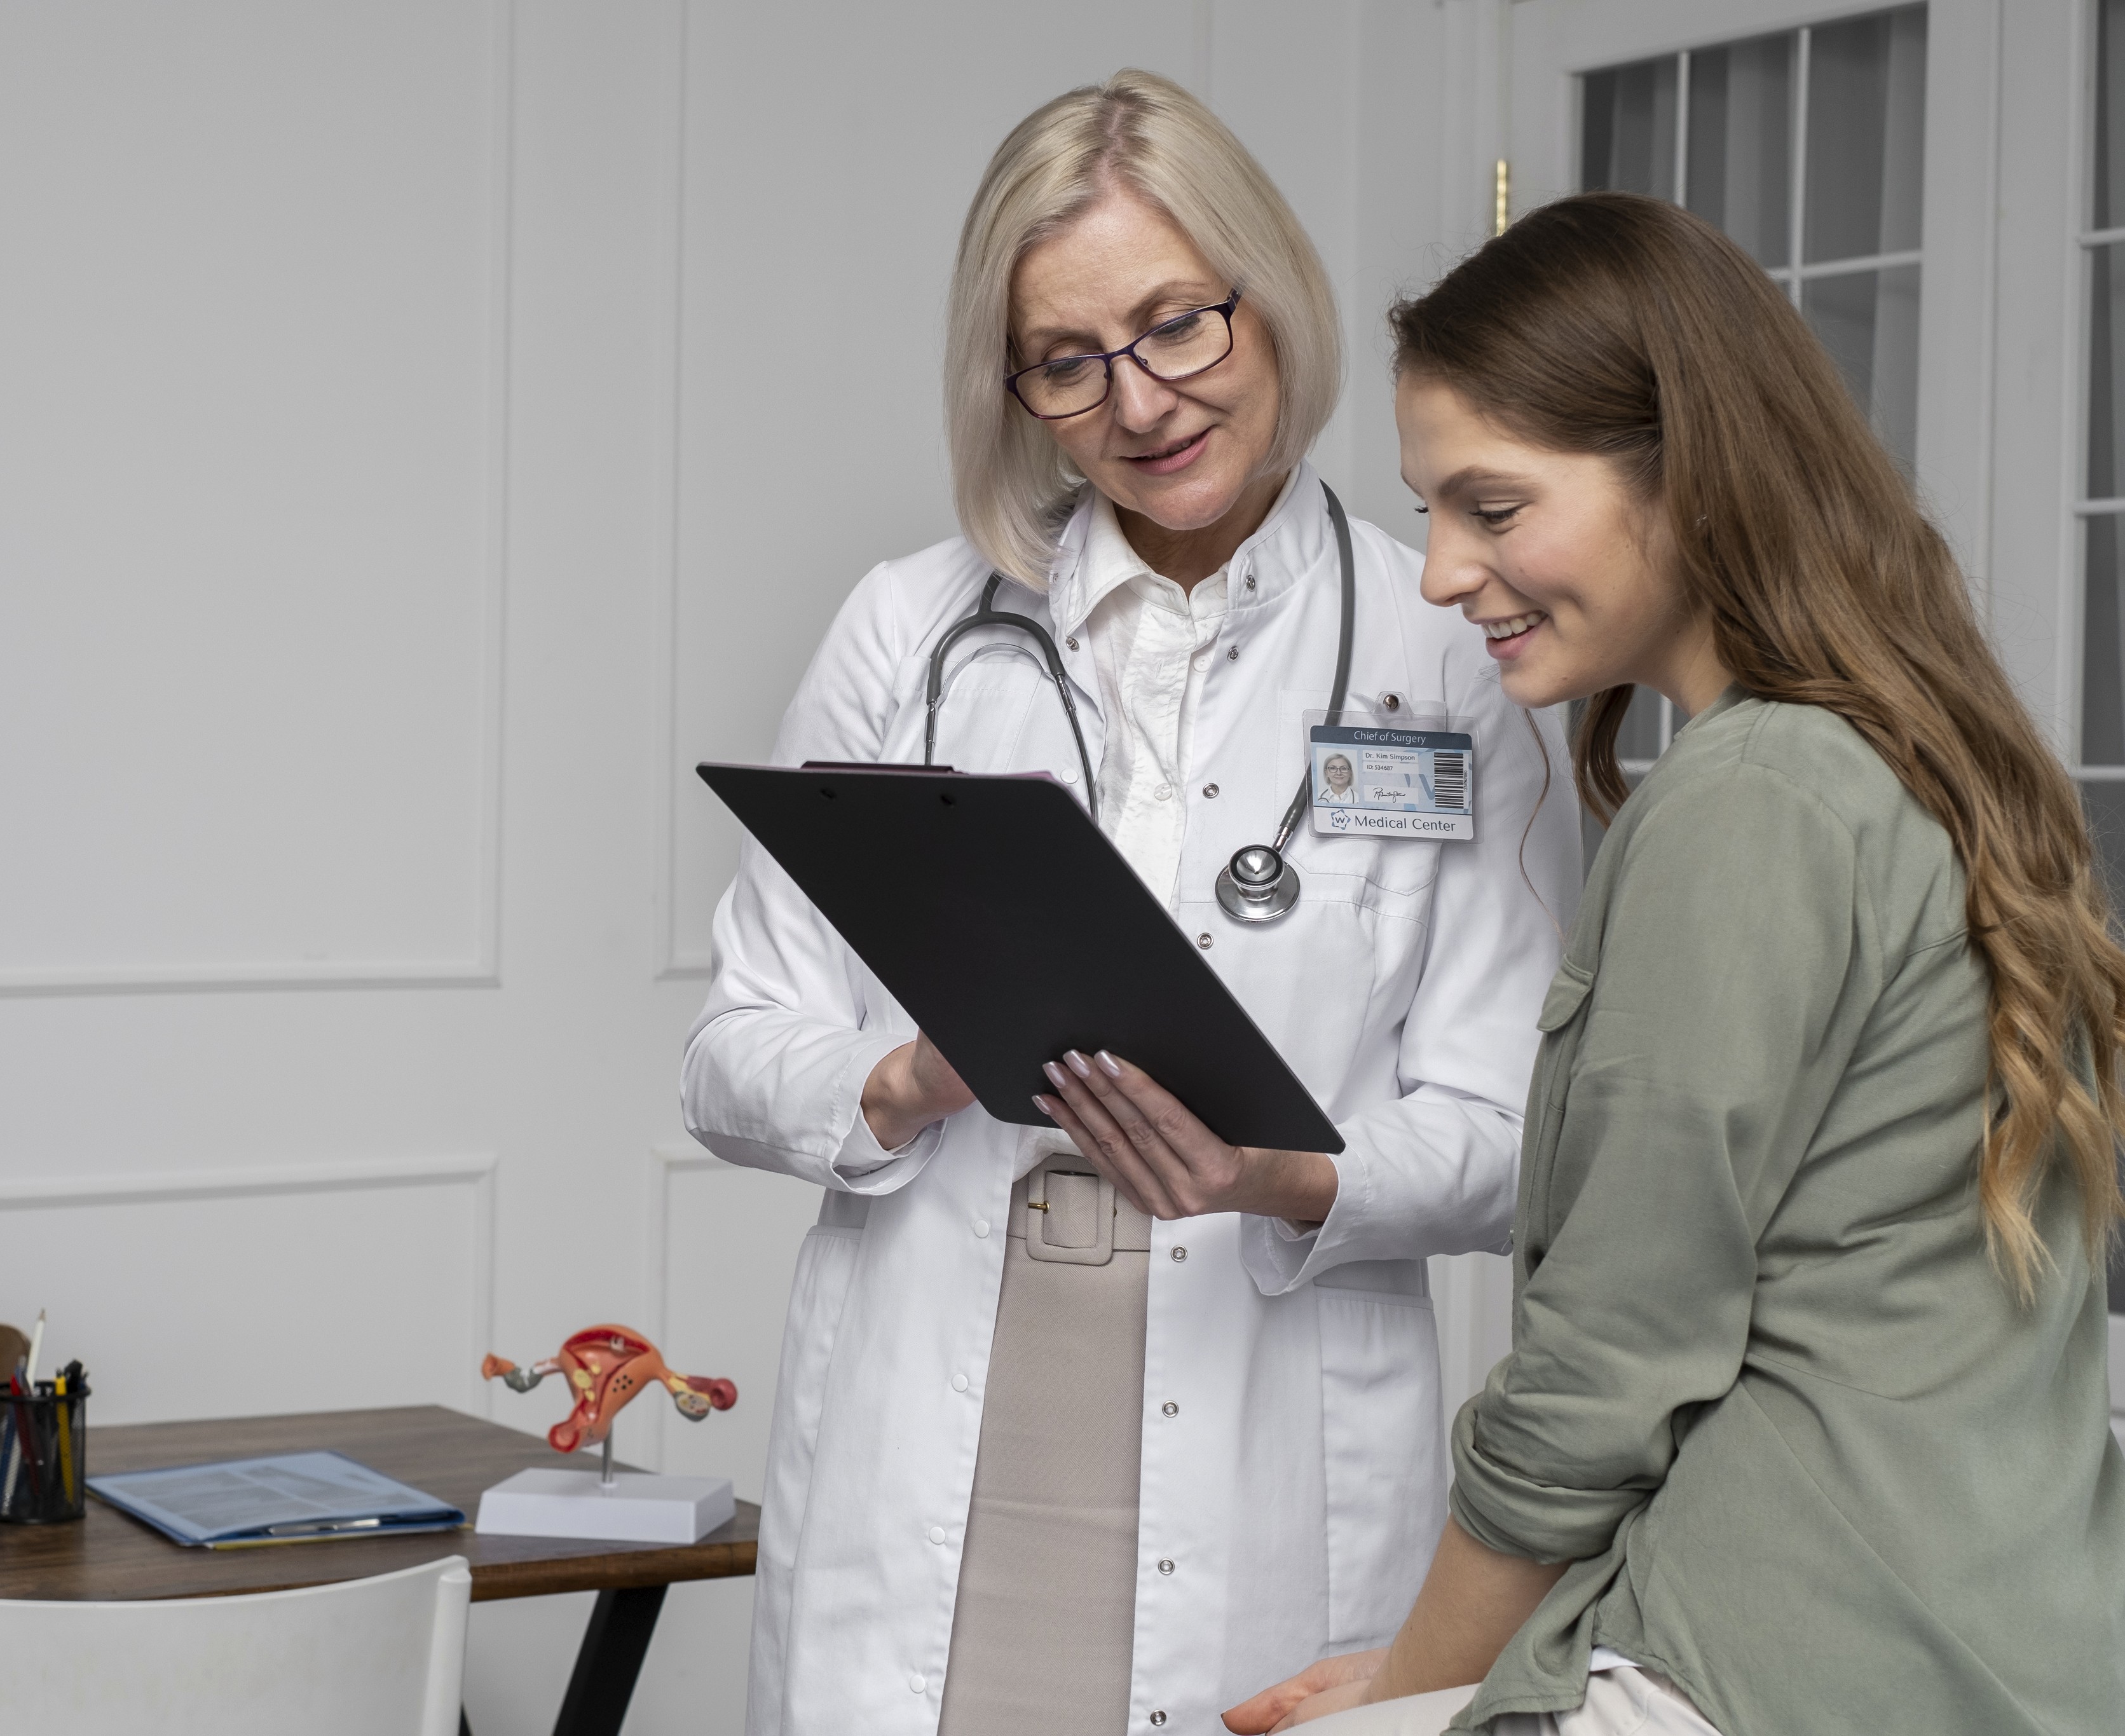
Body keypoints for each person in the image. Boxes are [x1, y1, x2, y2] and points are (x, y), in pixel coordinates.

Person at [681, 70, 1581, 1736]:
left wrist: (1284, 1171)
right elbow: (731, 1051)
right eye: (1068, 359)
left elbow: (1520, 1128)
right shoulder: (907, 632)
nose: (1140, 399)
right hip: (940, 1405)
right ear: (1014, 382)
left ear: (1271, 295)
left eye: (1179, 324)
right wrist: (896, 1076)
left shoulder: (1449, 650)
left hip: (1266, 1415)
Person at [1217, 193, 2125, 1736]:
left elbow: (1603, 1370)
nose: (1440, 573)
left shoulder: (1750, 800)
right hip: (1984, 1642)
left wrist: (1425, 1685)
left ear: (1690, 476)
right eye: (1429, 510)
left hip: (1769, 1655)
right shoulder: (1900, 755)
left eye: (1491, 510)